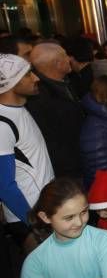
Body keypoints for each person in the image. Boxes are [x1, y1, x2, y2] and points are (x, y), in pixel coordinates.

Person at [0, 54, 54, 227]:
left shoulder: (19, 108)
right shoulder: (2, 123)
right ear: (10, 82)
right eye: (28, 74)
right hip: (28, 214)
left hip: (45, 208)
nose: (36, 78)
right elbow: (5, 186)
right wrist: (33, 223)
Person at [26, 42, 85, 179]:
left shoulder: (65, 82)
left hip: (78, 162)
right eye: (65, 56)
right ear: (57, 63)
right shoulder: (39, 97)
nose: (70, 58)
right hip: (66, 170)